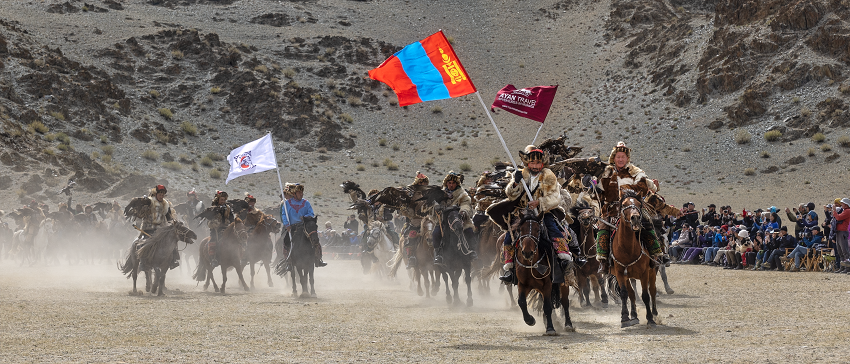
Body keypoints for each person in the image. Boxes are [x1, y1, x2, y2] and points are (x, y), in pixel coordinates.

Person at [493, 146, 582, 284]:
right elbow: (510, 195)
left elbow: (555, 197)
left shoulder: (548, 175)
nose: (535, 166)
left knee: (553, 229)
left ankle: (564, 260)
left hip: (543, 211)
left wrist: (539, 202)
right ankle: (509, 268)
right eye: (532, 163)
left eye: (538, 163)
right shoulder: (521, 174)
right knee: (509, 236)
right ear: (528, 163)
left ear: (542, 163)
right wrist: (515, 182)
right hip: (524, 213)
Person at [595, 141, 671, 274]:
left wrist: (651, 186)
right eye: (618, 157)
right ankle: (603, 262)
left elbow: (645, 187)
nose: (620, 159)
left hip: (631, 208)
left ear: (627, 159)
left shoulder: (636, 172)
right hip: (612, 210)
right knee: (603, 228)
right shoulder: (606, 173)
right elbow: (598, 189)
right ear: (614, 158)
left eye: (623, 157)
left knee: (647, 224)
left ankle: (656, 255)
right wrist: (592, 185)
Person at [433, 171, 477, 267]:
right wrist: (436, 207)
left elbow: (466, 204)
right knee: (436, 234)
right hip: (444, 221)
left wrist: (463, 212)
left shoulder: (462, 194)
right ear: (446, 183)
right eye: (449, 183)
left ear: (457, 183)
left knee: (469, 231)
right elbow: (434, 203)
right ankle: (439, 254)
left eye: (453, 183)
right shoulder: (440, 193)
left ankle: (472, 251)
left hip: (459, 219)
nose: (451, 185)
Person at [281, 183, 326, 267]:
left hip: (305, 226)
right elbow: (284, 214)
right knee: (286, 241)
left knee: (315, 240)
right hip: (292, 227)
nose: (301, 194)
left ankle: (318, 259)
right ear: (294, 194)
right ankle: (289, 261)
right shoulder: (287, 203)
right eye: (299, 193)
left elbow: (311, 213)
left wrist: (305, 217)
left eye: (302, 193)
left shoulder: (306, 202)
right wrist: (287, 225)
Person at [139, 185, 179, 268]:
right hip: (148, 228)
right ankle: (142, 262)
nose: (161, 196)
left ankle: (173, 260)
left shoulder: (166, 204)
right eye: (160, 195)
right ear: (155, 194)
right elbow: (141, 213)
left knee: (172, 242)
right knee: (144, 243)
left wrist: (173, 222)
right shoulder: (149, 202)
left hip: (161, 229)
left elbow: (168, 217)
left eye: (163, 195)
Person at [207, 190, 235, 267]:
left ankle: (237, 256)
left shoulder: (228, 208)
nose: (223, 201)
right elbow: (210, 219)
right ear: (218, 200)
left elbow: (232, 218)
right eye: (221, 200)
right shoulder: (213, 208)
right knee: (214, 240)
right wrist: (215, 224)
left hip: (227, 228)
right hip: (216, 229)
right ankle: (214, 258)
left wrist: (232, 224)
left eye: (224, 200)